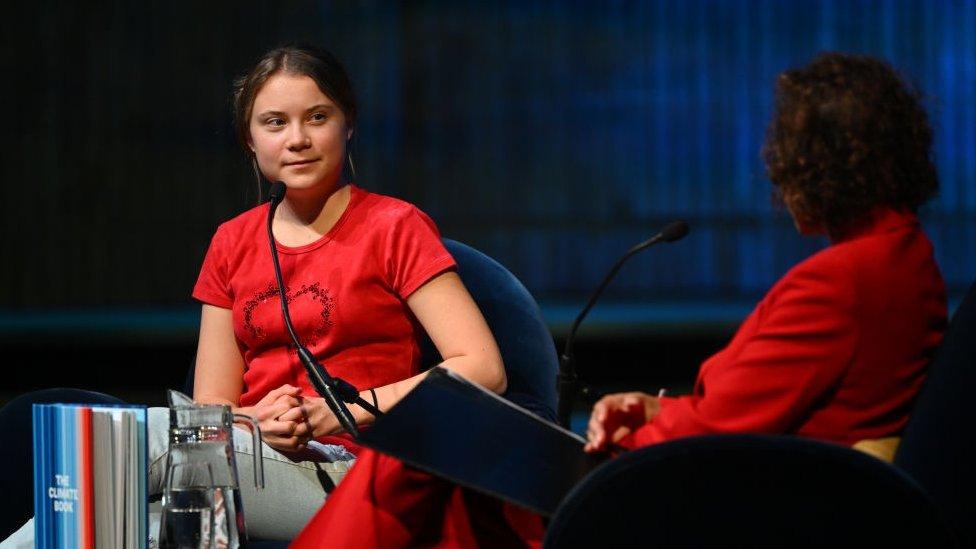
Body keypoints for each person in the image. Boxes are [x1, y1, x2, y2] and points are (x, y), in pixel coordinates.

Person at [292, 52, 946, 547]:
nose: (778, 178)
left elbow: (726, 428)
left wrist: (640, 426)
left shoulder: (841, 283)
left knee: (425, 455)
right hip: (761, 479)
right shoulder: (907, 256)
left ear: (820, 166)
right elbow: (765, 402)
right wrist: (654, 405)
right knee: (449, 468)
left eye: (789, 161)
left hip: (722, 499)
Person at [158, 43, 506, 540]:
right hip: (248, 461)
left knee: (125, 447)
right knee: (107, 517)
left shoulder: (395, 227)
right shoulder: (231, 241)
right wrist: (258, 422)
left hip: (359, 472)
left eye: (317, 117)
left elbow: (482, 368)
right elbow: (211, 409)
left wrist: (340, 411)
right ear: (250, 140)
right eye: (275, 123)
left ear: (348, 125)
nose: (297, 139)